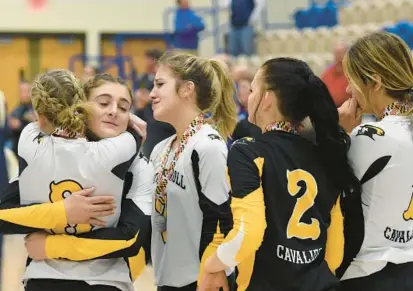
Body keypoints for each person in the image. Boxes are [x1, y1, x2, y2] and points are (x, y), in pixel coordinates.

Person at [199, 57, 360, 291]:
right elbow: (335, 252)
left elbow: (249, 231)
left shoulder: (247, 151)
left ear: (267, 99)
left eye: (253, 89)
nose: (249, 96)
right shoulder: (327, 154)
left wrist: (212, 266)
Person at [0, 72, 153, 291]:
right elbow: (4, 214)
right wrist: (62, 210)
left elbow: (132, 237)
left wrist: (52, 245)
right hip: (43, 278)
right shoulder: (46, 153)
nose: (113, 111)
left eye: (123, 107)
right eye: (103, 102)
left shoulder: (140, 167)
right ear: (80, 106)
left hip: (106, 282)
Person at [149, 52, 237, 290]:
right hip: (167, 278)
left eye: (160, 84)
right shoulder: (161, 149)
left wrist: (215, 269)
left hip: (203, 279)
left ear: (187, 89)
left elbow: (223, 218)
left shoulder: (207, 146)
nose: (151, 93)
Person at [337, 31, 413, 291]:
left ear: (375, 82)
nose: (348, 90)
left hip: (369, 274)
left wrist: (338, 133)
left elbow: (320, 184)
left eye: (351, 80)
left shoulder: (369, 138)